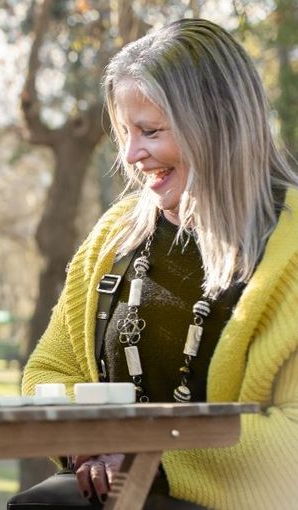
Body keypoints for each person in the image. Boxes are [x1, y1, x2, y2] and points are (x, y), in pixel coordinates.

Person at [21, 18, 298, 509]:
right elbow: (50, 368)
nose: (131, 154)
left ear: (217, 123)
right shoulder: (115, 233)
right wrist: (84, 440)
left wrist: (149, 460)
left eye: (149, 131)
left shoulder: (290, 246)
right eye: (125, 132)